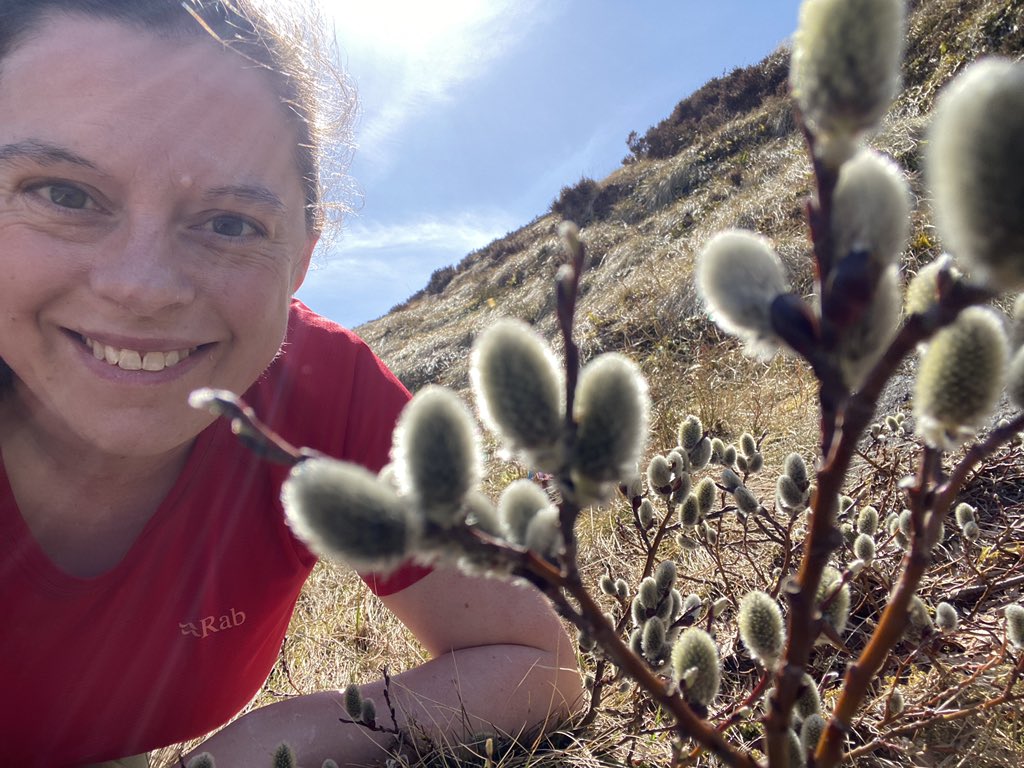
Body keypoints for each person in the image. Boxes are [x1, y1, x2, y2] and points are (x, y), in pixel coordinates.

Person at [0, 1, 583, 765]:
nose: (141, 287)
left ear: (300, 260)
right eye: (63, 194)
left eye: (230, 222)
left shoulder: (320, 392)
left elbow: (537, 664)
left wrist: (280, 741)